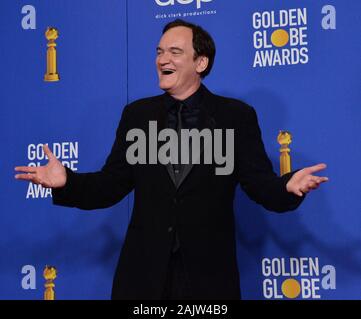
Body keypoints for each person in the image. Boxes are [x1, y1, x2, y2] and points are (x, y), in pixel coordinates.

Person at [15, 19, 328, 300]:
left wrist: (288, 186)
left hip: (208, 279)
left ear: (201, 62)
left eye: (175, 52)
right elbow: (110, 185)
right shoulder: (137, 116)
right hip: (143, 277)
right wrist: (66, 180)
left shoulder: (236, 117)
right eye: (159, 51)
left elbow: (260, 185)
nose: (162, 59)